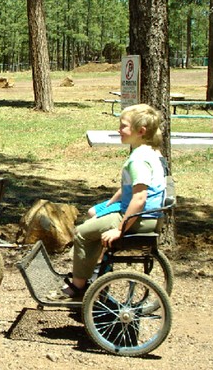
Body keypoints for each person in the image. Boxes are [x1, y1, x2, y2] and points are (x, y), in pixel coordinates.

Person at [59, 103, 167, 300]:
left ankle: (77, 287)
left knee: (82, 233)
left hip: (140, 218)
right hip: (150, 216)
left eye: (124, 126)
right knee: (94, 220)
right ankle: (92, 270)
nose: (119, 130)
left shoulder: (138, 160)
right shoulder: (150, 152)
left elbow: (140, 198)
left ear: (140, 131)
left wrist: (120, 229)